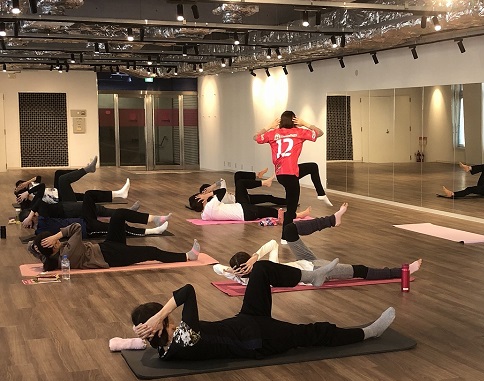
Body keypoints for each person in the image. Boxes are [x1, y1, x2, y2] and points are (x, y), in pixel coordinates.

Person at [132, 260, 396, 361]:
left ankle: (312, 276)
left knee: (260, 270)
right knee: (313, 332)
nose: (172, 318)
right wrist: (157, 316)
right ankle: (369, 333)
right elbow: (188, 291)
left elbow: (148, 338)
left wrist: (142, 331)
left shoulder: (164, 347)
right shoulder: (184, 340)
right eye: (166, 318)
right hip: (256, 339)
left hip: (245, 319)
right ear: (160, 325)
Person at [215, 203, 422, 285]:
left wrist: (236, 267)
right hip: (315, 270)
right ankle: (401, 271)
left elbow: (216, 268)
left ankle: (332, 219)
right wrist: (252, 263)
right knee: (358, 270)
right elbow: (271, 246)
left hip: (304, 260)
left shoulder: (240, 274)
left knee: (289, 230)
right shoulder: (258, 279)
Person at [28, 209, 200, 272]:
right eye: (55, 243)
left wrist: (38, 245)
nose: (57, 241)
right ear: (53, 250)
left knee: (118, 215)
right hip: (110, 257)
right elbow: (77, 228)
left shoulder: (48, 256)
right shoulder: (67, 254)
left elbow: (31, 247)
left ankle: (154, 219)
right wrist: (57, 236)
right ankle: (187, 256)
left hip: (105, 247)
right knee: (151, 251)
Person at [254, 111, 332, 244]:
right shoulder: (299, 132)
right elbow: (319, 133)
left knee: (312, 167)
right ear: (294, 121)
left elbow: (256, 137)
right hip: (291, 175)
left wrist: (269, 126)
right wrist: (304, 123)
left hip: (281, 174)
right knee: (291, 208)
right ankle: (284, 237)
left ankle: (321, 194)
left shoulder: (273, 134)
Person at [33, 190, 166, 238]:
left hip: (84, 219)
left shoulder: (42, 220)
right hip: (87, 229)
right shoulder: (42, 226)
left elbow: (40, 201)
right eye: (34, 216)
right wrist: (30, 218)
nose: (36, 214)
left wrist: (30, 217)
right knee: (119, 226)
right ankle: (153, 231)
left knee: (89, 195)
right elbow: (40, 203)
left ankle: (119, 194)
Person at [195, 178, 311, 222]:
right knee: (271, 211)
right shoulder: (211, 205)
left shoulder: (204, 215)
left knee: (240, 182)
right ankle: (297, 215)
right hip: (245, 209)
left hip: (242, 205)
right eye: (201, 196)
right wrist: (208, 194)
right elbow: (222, 190)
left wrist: (209, 191)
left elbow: (222, 186)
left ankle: (264, 182)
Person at [188, 169, 287, 212]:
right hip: (240, 202)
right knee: (240, 182)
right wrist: (212, 188)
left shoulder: (213, 197)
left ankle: (257, 175)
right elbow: (223, 183)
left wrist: (210, 189)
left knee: (268, 197)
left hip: (240, 198)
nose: (204, 193)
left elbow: (221, 184)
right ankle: (264, 182)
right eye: (202, 194)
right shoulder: (214, 200)